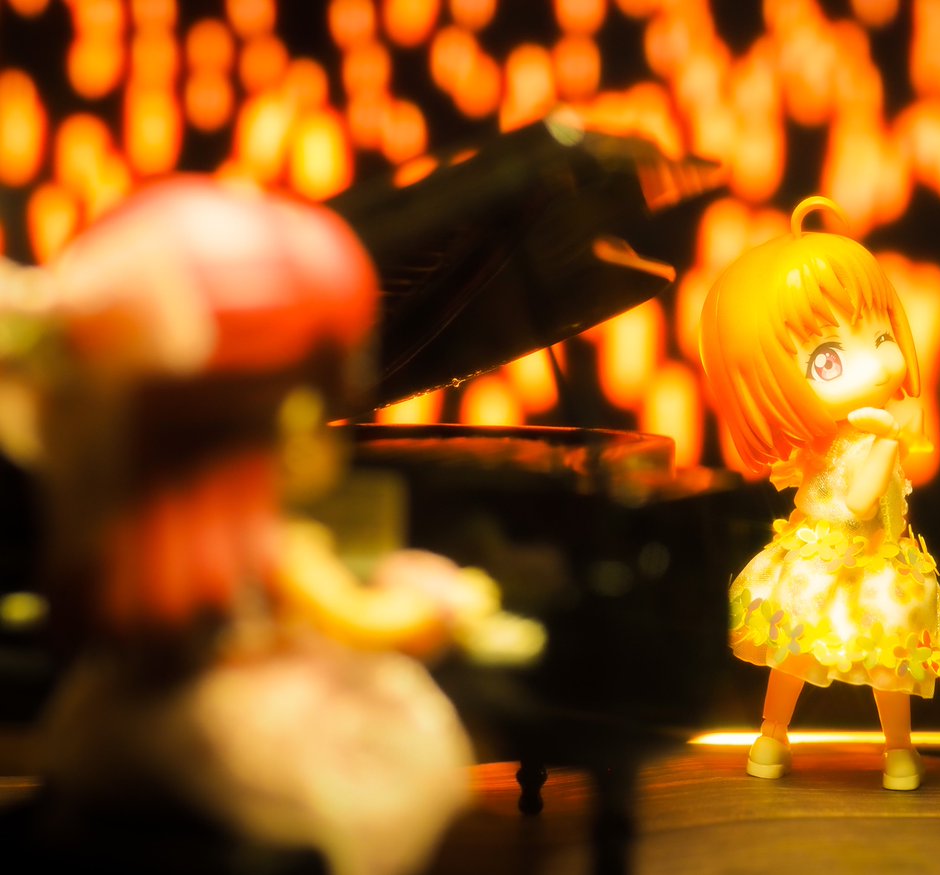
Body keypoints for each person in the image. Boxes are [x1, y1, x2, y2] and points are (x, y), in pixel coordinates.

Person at [0, 176, 538, 874]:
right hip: (239, 755)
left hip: (115, 734)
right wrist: (434, 602)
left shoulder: (113, 534)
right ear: (281, 416)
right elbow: (365, 624)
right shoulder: (282, 550)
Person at [699, 195, 940, 791]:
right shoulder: (853, 440)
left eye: (881, 335)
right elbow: (859, 502)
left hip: (878, 563)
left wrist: (891, 438)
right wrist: (890, 442)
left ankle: (895, 749)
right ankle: (773, 736)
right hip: (824, 563)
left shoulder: (869, 428)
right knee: (794, 650)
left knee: (890, 661)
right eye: (827, 358)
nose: (879, 365)